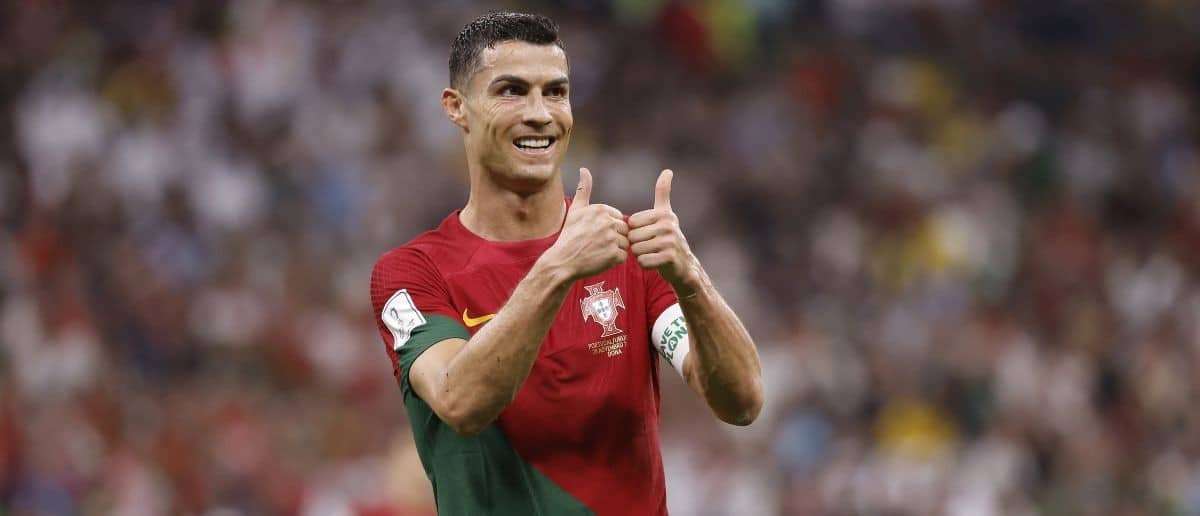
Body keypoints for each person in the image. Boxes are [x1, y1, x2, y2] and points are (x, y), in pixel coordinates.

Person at [369, 12, 763, 515]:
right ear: (457, 107)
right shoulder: (412, 273)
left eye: (555, 92)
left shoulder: (626, 251)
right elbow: (459, 402)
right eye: (511, 90)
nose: (540, 113)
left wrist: (692, 282)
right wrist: (557, 269)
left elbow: (742, 403)